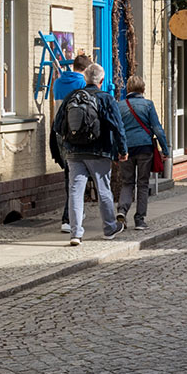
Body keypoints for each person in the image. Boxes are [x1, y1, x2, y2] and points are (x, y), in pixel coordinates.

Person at [53, 62, 127, 246]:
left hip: (74, 152)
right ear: (102, 80)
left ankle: (76, 233)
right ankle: (109, 228)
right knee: (103, 190)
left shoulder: (72, 96)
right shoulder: (106, 98)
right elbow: (118, 126)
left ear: (85, 79)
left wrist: (70, 141)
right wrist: (122, 150)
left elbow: (57, 125)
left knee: (75, 192)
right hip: (100, 152)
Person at [117, 76, 170, 231]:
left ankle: (122, 211)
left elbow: (116, 130)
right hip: (145, 148)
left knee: (127, 182)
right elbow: (157, 128)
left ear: (128, 89)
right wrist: (165, 150)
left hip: (126, 149)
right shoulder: (148, 105)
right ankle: (139, 219)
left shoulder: (120, 106)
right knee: (143, 183)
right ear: (143, 89)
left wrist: (117, 150)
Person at [50, 53, 92, 233]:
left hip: (58, 131)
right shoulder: (82, 84)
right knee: (76, 175)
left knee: (70, 173)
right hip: (75, 132)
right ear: (86, 69)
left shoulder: (58, 82)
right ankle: (68, 218)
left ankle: (75, 212)